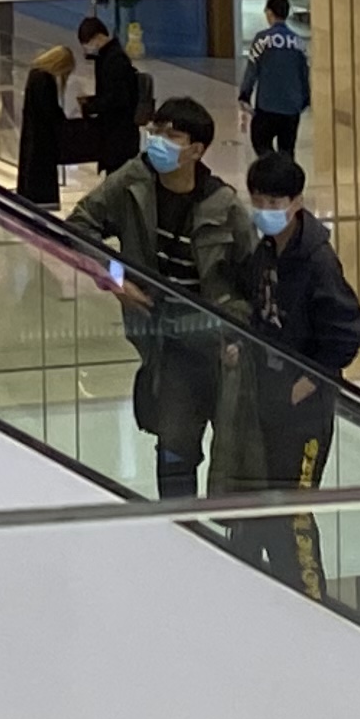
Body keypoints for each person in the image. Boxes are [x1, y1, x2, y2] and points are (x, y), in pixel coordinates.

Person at [65, 95, 262, 497]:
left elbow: (255, 279)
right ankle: (179, 523)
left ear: (196, 150)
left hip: (220, 345)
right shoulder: (133, 182)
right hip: (170, 345)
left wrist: (241, 333)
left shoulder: (224, 206)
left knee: (232, 453)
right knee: (174, 446)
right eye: (155, 131)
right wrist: (114, 278)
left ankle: (224, 529)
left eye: (171, 135)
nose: (157, 141)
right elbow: (77, 226)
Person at [228, 152, 360, 592]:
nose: (264, 210)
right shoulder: (267, 250)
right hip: (267, 395)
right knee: (259, 505)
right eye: (258, 200)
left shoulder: (317, 261)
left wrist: (308, 381)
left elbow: (348, 331)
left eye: (274, 202)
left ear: (296, 203)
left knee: (292, 511)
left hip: (305, 410)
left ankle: (310, 597)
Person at [240, 0, 312, 163]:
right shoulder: (298, 42)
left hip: (268, 105)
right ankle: (286, 174)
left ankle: (273, 168)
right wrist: (305, 99)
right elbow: (304, 73)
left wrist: (244, 95)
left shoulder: (262, 39)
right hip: (291, 107)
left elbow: (252, 69)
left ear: (269, 13)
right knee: (287, 149)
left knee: (260, 142)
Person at [72, 12, 144, 177]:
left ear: (98, 37)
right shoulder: (107, 57)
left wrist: (91, 106)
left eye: (87, 43)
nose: (87, 48)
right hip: (116, 135)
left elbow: (117, 98)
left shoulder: (114, 60)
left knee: (118, 178)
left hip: (120, 136)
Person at [13, 36, 80, 209]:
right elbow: (50, 111)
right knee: (41, 181)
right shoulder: (44, 80)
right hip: (42, 142)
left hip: (33, 139)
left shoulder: (34, 75)